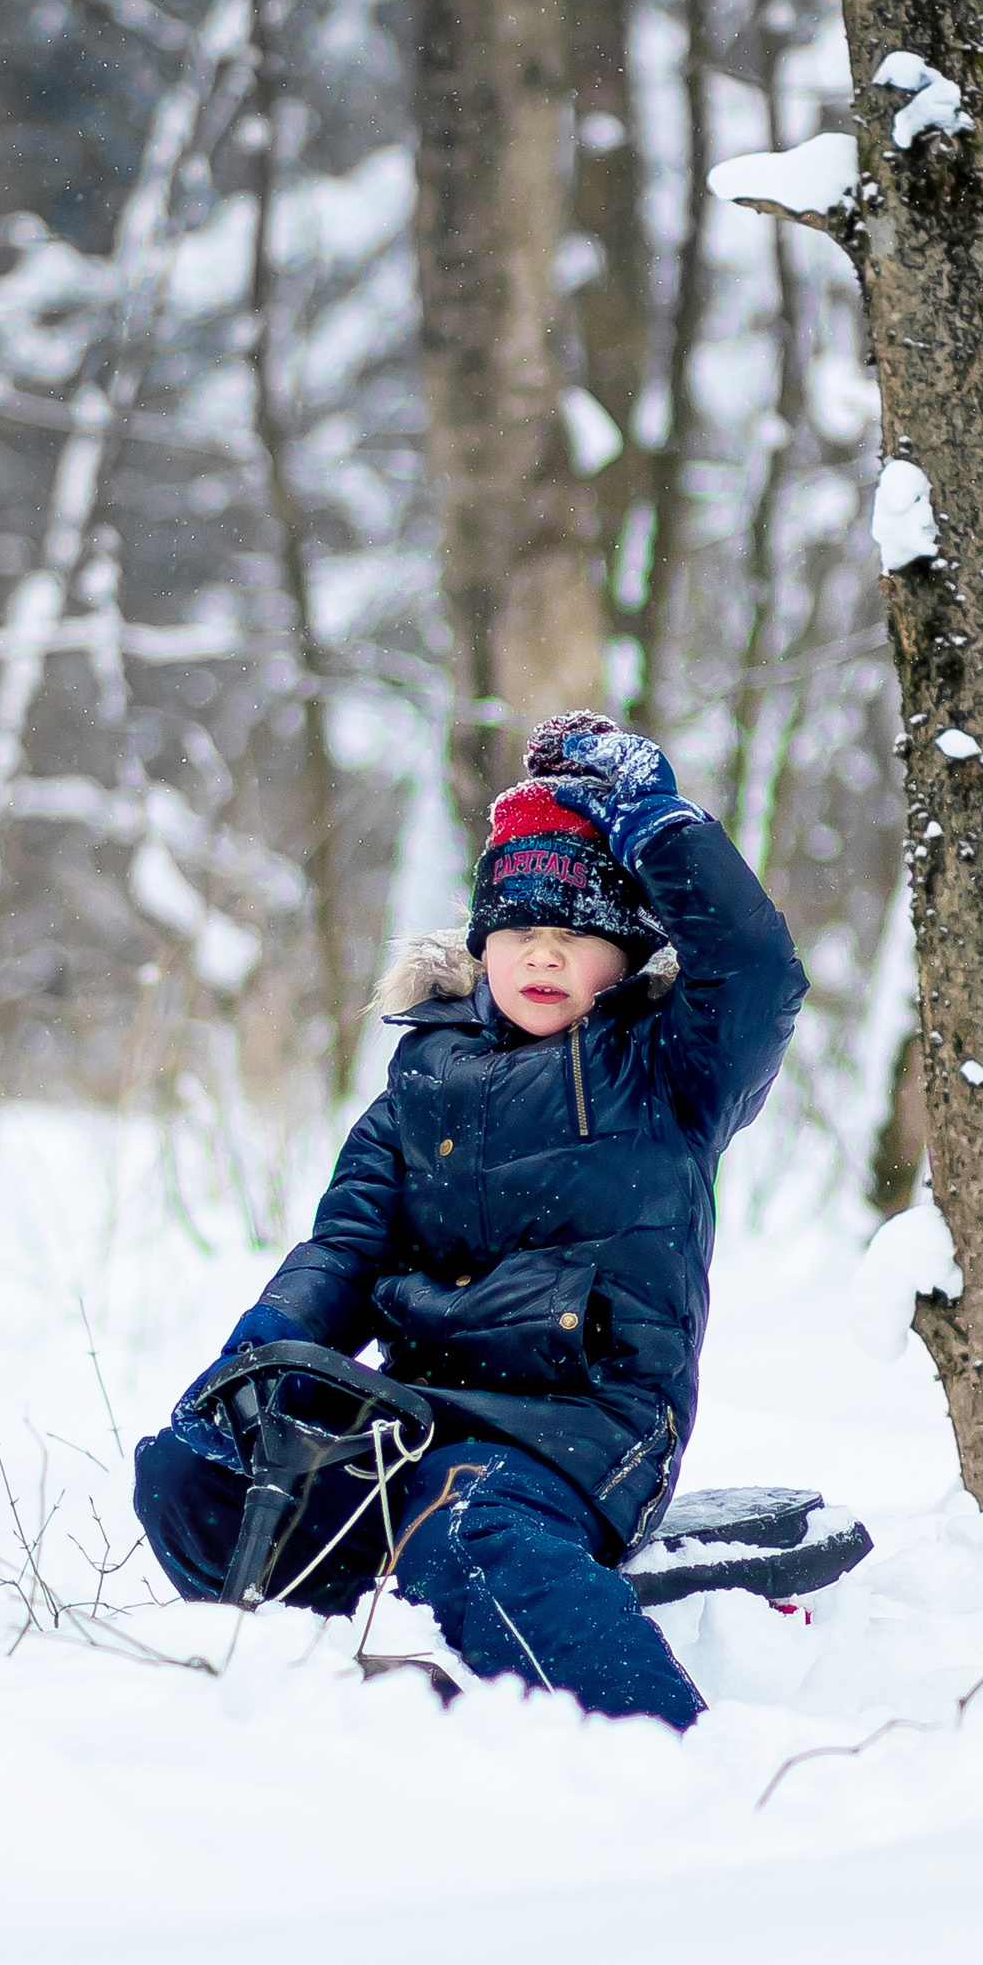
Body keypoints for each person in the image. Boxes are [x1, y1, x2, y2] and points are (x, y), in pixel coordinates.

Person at [133, 709, 806, 1732]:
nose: (544, 952)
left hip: (584, 1428)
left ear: (621, 957)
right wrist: (253, 1361)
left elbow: (758, 973)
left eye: (576, 931)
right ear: (481, 944)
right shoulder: (419, 1080)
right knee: (189, 1473)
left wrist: (658, 826)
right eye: (519, 930)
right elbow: (345, 1247)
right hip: (408, 1415)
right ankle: (343, 1668)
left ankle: (666, 1744)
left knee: (466, 1519)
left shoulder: (671, 1071)